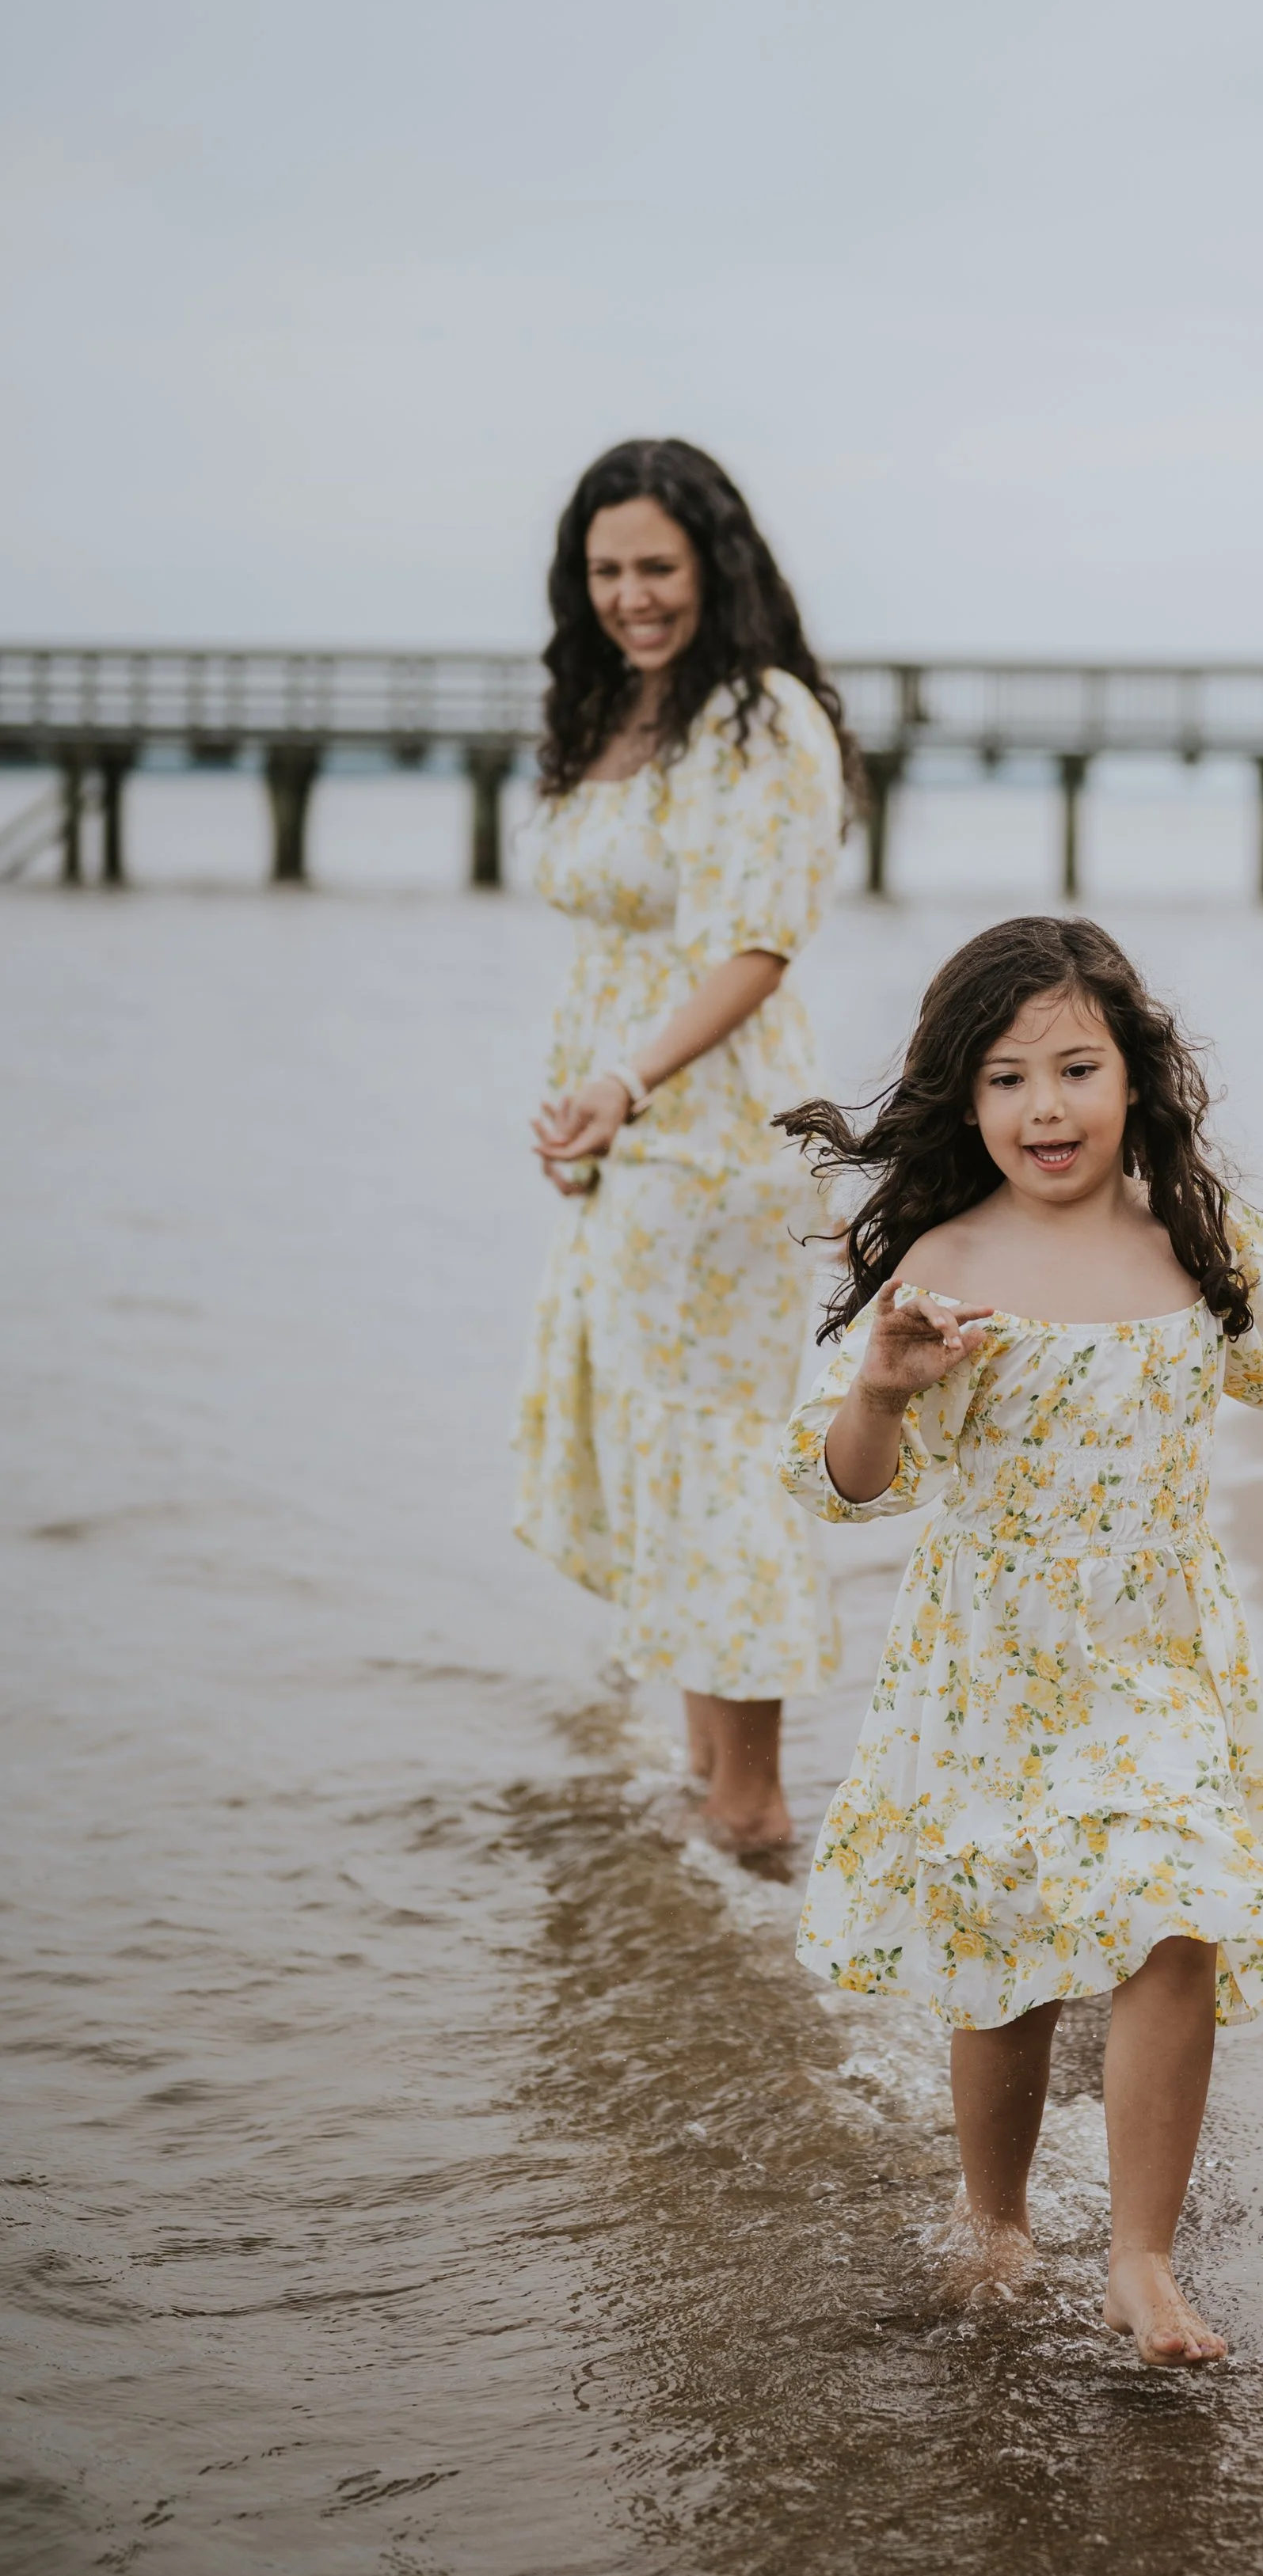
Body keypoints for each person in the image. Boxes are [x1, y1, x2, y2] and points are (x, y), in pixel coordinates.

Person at [774, 916, 1263, 2364]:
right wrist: (881, 1387)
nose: (1045, 1107)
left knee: (1175, 1909)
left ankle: (1139, 2259)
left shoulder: (1195, 1234)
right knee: (1002, 1965)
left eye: (1077, 1067)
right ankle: (995, 2223)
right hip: (991, 1670)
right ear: (965, 1097)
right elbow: (839, 1482)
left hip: (1160, 1664)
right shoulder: (941, 1261)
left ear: (1137, 1075)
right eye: (1006, 1078)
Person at [515, 438, 858, 1849]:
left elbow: (757, 946)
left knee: (720, 1456)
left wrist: (625, 1081)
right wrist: (592, 1106)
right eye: (606, 569)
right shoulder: (620, 706)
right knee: (666, 1446)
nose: (632, 595)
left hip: (716, 1145)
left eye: (657, 565)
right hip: (627, 1145)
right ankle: (713, 1782)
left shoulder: (760, 720)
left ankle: (754, 1800)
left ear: (718, 563)